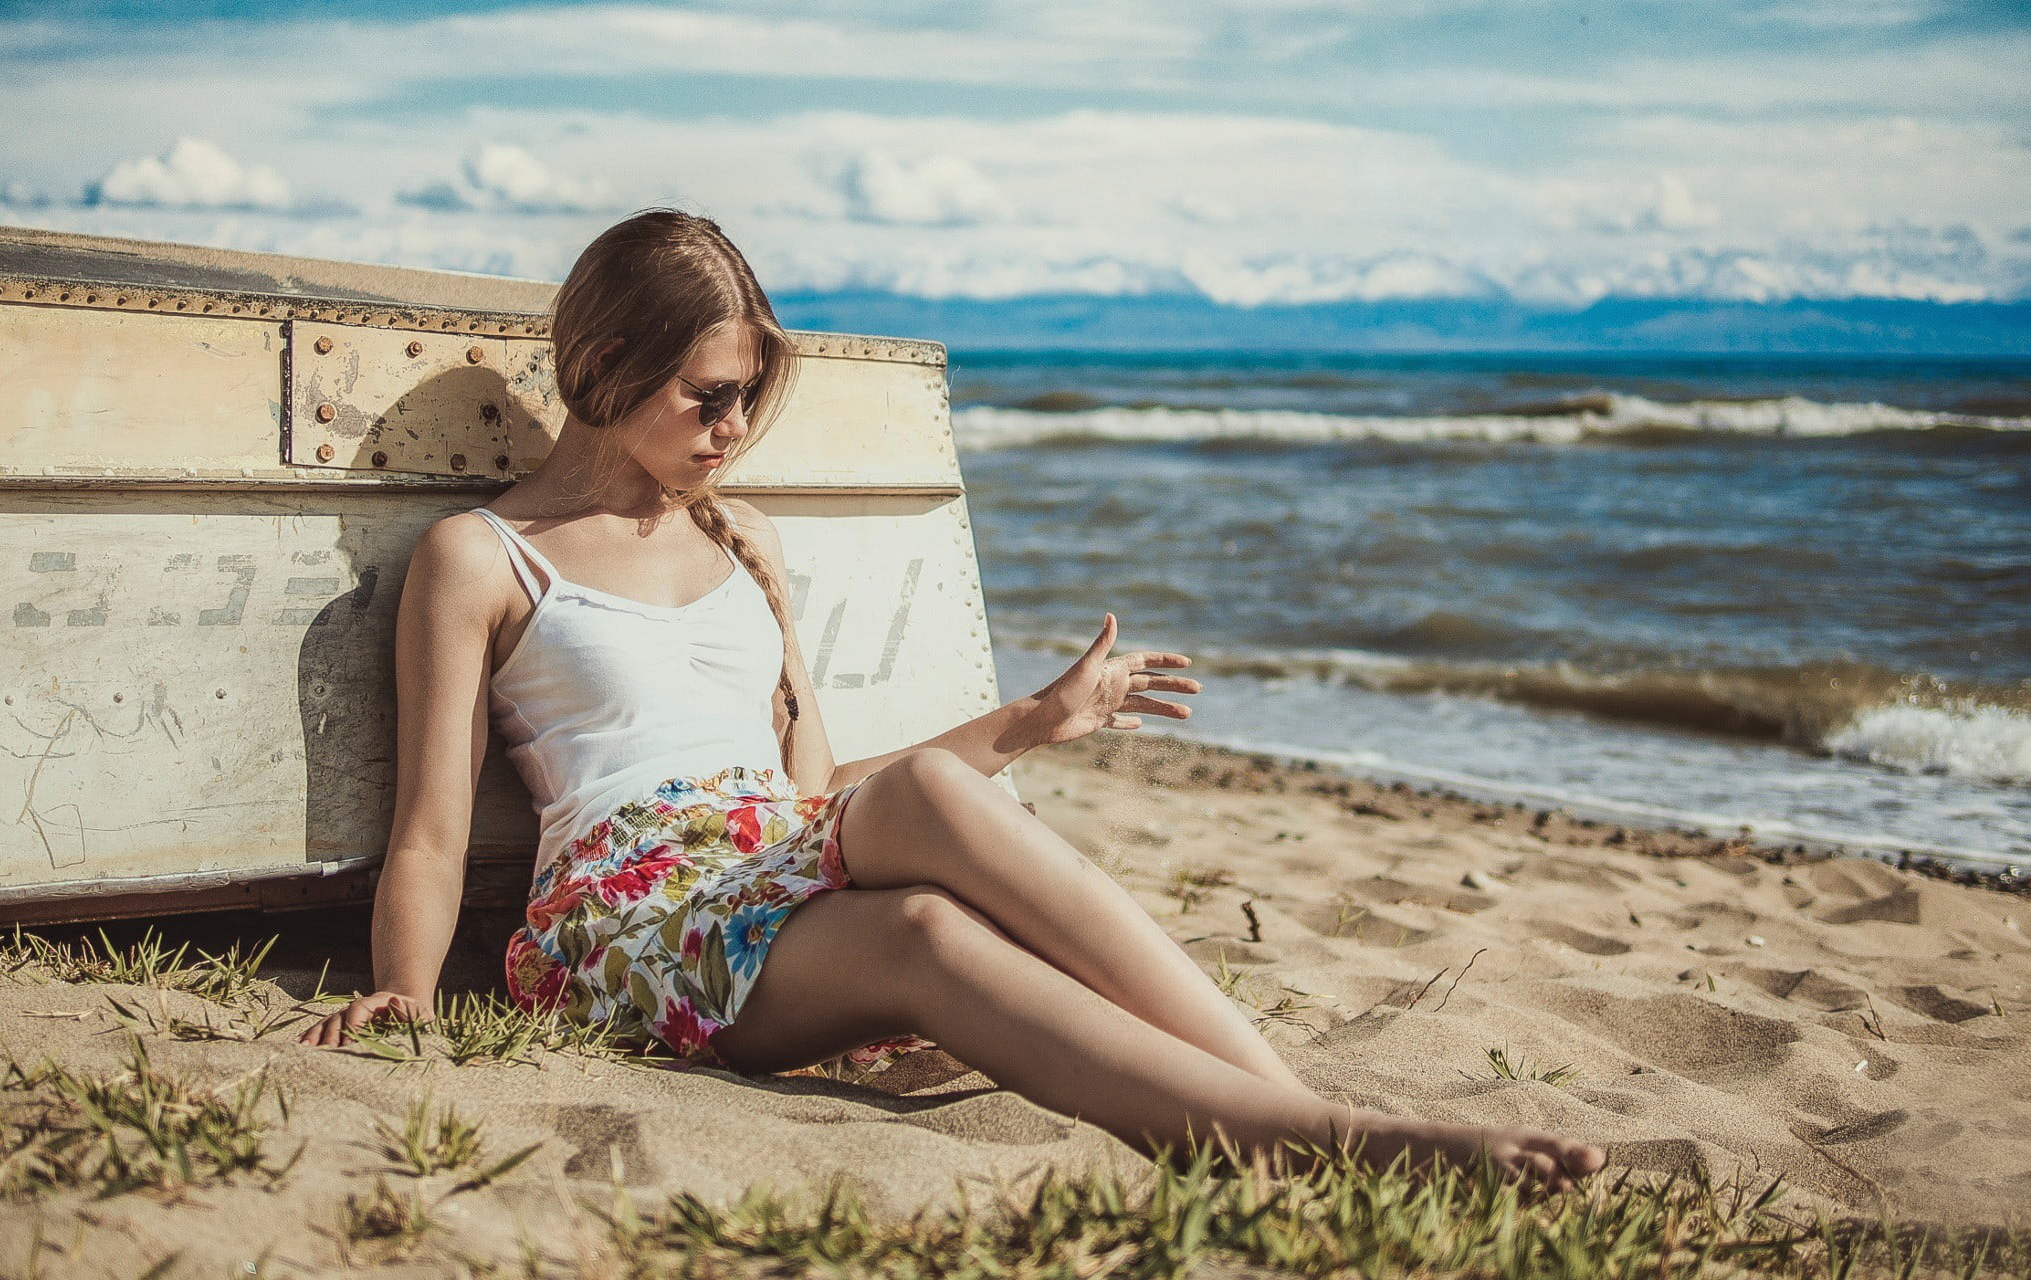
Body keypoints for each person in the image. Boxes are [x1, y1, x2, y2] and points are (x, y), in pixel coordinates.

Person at [300, 207, 1606, 1190]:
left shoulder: (743, 539)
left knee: (923, 908)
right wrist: (406, 989)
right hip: (625, 914)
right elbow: (428, 825)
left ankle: (1305, 1124)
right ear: (604, 365)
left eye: (751, 391)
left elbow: (815, 802)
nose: (735, 423)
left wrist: (1035, 722)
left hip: (761, 863)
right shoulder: (485, 557)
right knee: (919, 868)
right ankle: (1331, 1137)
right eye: (708, 393)